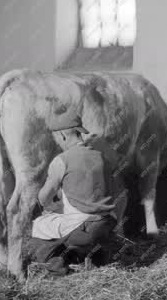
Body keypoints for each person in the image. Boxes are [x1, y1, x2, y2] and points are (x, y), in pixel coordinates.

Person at [28, 114, 118, 277]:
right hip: (108, 222)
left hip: (84, 228)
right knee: (73, 226)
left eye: (55, 137)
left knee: (40, 225)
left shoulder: (62, 160)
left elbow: (43, 199)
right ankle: (97, 258)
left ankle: (58, 271)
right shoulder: (101, 157)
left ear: (61, 135)